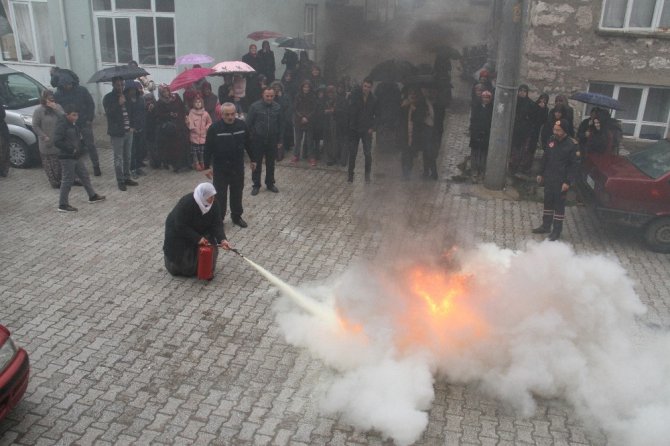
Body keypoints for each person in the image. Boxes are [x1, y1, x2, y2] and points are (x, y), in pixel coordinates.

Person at [204, 103, 256, 228]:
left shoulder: (242, 125)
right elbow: (208, 148)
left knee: (237, 193)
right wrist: (206, 166)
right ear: (221, 115)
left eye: (232, 114)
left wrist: (253, 159)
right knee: (220, 196)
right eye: (227, 114)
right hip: (221, 168)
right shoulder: (214, 128)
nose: (230, 117)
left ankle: (236, 216)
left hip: (237, 167)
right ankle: (219, 219)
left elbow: (248, 143)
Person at [163, 183, 232, 277]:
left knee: (209, 251)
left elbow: (217, 224)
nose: (212, 199)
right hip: (179, 233)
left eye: (213, 196)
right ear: (203, 196)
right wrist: (197, 238)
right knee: (180, 265)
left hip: (201, 230)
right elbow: (180, 225)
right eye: (210, 197)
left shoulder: (214, 204)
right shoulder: (187, 203)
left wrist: (222, 239)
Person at [532, 119, 579, 241]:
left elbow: (573, 166)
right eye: (554, 129)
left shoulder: (572, 145)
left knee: (559, 206)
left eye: (558, 130)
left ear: (564, 131)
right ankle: (545, 226)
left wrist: (567, 182)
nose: (555, 132)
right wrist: (540, 173)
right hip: (549, 177)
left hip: (561, 180)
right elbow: (545, 157)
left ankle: (556, 231)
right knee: (548, 202)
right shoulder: (551, 140)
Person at [54, 104, 106, 212]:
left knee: (84, 175)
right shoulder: (62, 124)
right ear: (67, 115)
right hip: (67, 156)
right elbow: (57, 141)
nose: (76, 117)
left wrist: (80, 147)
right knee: (67, 180)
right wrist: (70, 149)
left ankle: (92, 196)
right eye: (73, 115)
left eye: (76, 115)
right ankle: (62, 204)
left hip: (76, 155)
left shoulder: (73, 124)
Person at [54, 71, 101, 176]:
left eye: (69, 84)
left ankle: (96, 165)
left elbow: (90, 104)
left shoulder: (82, 91)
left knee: (90, 145)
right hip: (69, 125)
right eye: (65, 85)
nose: (68, 87)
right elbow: (57, 109)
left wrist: (89, 119)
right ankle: (78, 168)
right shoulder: (58, 95)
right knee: (75, 146)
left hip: (84, 122)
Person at [246, 86, 284, 195]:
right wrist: (252, 136)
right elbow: (248, 123)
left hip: (272, 139)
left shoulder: (278, 107)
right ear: (263, 95)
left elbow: (281, 124)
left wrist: (280, 139)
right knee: (256, 163)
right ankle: (256, 185)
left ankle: (270, 183)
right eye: (267, 96)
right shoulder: (255, 107)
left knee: (271, 163)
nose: (269, 98)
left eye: (272, 96)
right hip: (258, 139)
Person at [103, 76, 138, 191]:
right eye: (118, 85)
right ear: (113, 85)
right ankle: (120, 180)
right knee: (118, 158)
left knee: (127, 156)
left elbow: (132, 112)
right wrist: (118, 103)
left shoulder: (127, 96)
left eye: (122, 85)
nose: (121, 87)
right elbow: (109, 113)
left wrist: (133, 126)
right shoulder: (108, 98)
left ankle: (127, 177)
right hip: (117, 132)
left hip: (128, 131)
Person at [33, 91, 65, 188]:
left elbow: (65, 118)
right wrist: (43, 136)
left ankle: (63, 180)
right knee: (50, 164)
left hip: (58, 140)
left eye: (52, 97)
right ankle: (55, 182)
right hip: (46, 142)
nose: (51, 99)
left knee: (60, 163)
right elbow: (35, 126)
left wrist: (55, 109)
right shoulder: (39, 111)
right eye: (49, 98)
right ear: (44, 99)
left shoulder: (58, 107)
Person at [347, 78, 377, 183]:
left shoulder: (373, 99)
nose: (366, 89)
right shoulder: (356, 96)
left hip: (366, 129)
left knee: (368, 153)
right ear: (362, 86)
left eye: (368, 87)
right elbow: (350, 110)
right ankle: (350, 174)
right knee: (353, 152)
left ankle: (367, 175)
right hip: (355, 128)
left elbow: (377, 115)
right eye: (365, 86)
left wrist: (372, 127)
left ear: (371, 87)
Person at [154, 84, 189, 172]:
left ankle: (185, 164)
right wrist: (169, 114)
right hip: (170, 128)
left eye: (167, 91)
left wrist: (183, 116)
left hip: (180, 124)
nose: (166, 93)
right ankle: (176, 165)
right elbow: (158, 115)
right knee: (173, 147)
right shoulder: (159, 102)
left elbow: (182, 108)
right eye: (163, 92)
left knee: (183, 143)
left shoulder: (176, 97)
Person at [468, 89, 494, 180]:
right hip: (476, 133)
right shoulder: (477, 107)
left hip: (486, 134)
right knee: (475, 153)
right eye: (484, 97)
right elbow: (473, 120)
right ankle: (474, 171)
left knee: (483, 154)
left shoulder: (491, 109)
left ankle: (482, 171)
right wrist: (472, 130)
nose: (485, 99)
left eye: (487, 98)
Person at [124, 80, 147, 178]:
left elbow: (143, 113)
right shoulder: (125, 102)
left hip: (140, 127)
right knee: (131, 150)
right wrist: (130, 127)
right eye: (130, 90)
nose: (132, 92)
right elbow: (126, 116)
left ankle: (138, 166)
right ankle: (132, 169)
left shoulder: (141, 99)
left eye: (133, 90)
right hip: (130, 129)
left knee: (139, 149)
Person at [291, 80, 317, 164]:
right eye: (305, 87)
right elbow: (295, 108)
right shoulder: (297, 96)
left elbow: (314, 109)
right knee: (298, 139)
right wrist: (301, 117)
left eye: (308, 87)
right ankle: (295, 155)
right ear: (302, 88)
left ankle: (311, 156)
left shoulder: (313, 96)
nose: (306, 89)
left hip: (310, 121)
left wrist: (307, 117)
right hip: (299, 120)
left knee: (309, 140)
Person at [187, 94, 212, 171]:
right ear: (194, 104)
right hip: (194, 136)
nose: (198, 104)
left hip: (203, 136)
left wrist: (206, 128)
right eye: (196, 102)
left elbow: (209, 122)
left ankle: (202, 162)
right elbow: (190, 123)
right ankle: (196, 163)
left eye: (199, 102)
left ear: (202, 103)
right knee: (195, 152)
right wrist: (193, 128)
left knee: (202, 151)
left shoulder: (205, 113)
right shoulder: (191, 113)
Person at [0, 107, 10, 177]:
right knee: (3, 151)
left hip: (2, 130)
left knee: (4, 151)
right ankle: (3, 170)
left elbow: (2, 114)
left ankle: (3, 170)